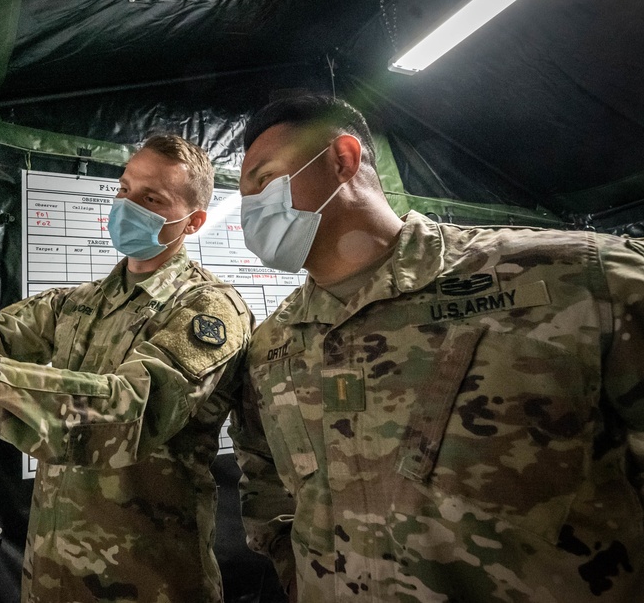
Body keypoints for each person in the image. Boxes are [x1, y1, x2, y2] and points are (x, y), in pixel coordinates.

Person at [229, 93, 644, 601]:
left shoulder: (573, 279)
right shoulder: (273, 342)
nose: (252, 208)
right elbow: (262, 473)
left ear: (343, 159)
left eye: (263, 179)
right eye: (244, 196)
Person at [0, 134, 253, 603]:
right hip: (52, 578)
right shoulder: (80, 302)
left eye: (150, 198)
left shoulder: (211, 310)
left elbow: (128, 413)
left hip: (149, 585)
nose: (126, 204)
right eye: (123, 189)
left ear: (193, 221)